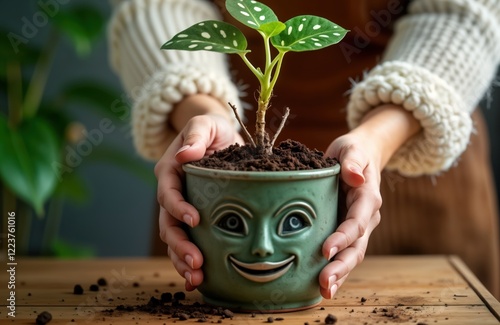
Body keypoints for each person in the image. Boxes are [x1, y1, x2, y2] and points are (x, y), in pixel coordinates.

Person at [107, 0, 500, 299]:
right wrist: (202, 113)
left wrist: (377, 139)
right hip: (219, 160)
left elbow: (465, 14)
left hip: (413, 143)